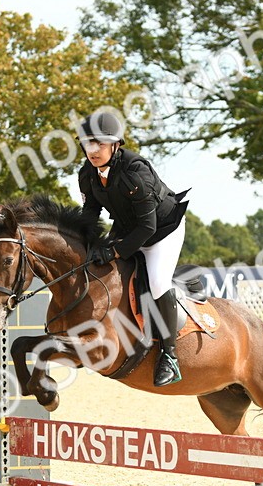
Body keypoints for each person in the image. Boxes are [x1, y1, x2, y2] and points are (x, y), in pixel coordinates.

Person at [76, 110, 190, 387]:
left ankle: (169, 356)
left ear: (115, 145)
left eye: (99, 144)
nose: (93, 150)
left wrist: (115, 251)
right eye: (88, 144)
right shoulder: (87, 174)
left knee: (159, 283)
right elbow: (90, 213)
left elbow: (147, 228)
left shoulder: (136, 171)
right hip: (129, 228)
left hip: (163, 231)